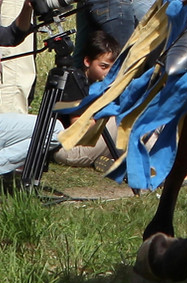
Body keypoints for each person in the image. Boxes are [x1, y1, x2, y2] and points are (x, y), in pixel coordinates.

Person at [0, 28, 121, 186]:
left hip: (63, 141)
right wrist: (106, 109)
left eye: (113, 67)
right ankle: (131, 162)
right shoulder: (74, 81)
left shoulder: (89, 82)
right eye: (103, 67)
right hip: (65, 146)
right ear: (87, 61)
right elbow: (78, 127)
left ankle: (114, 159)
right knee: (124, 117)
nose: (109, 72)